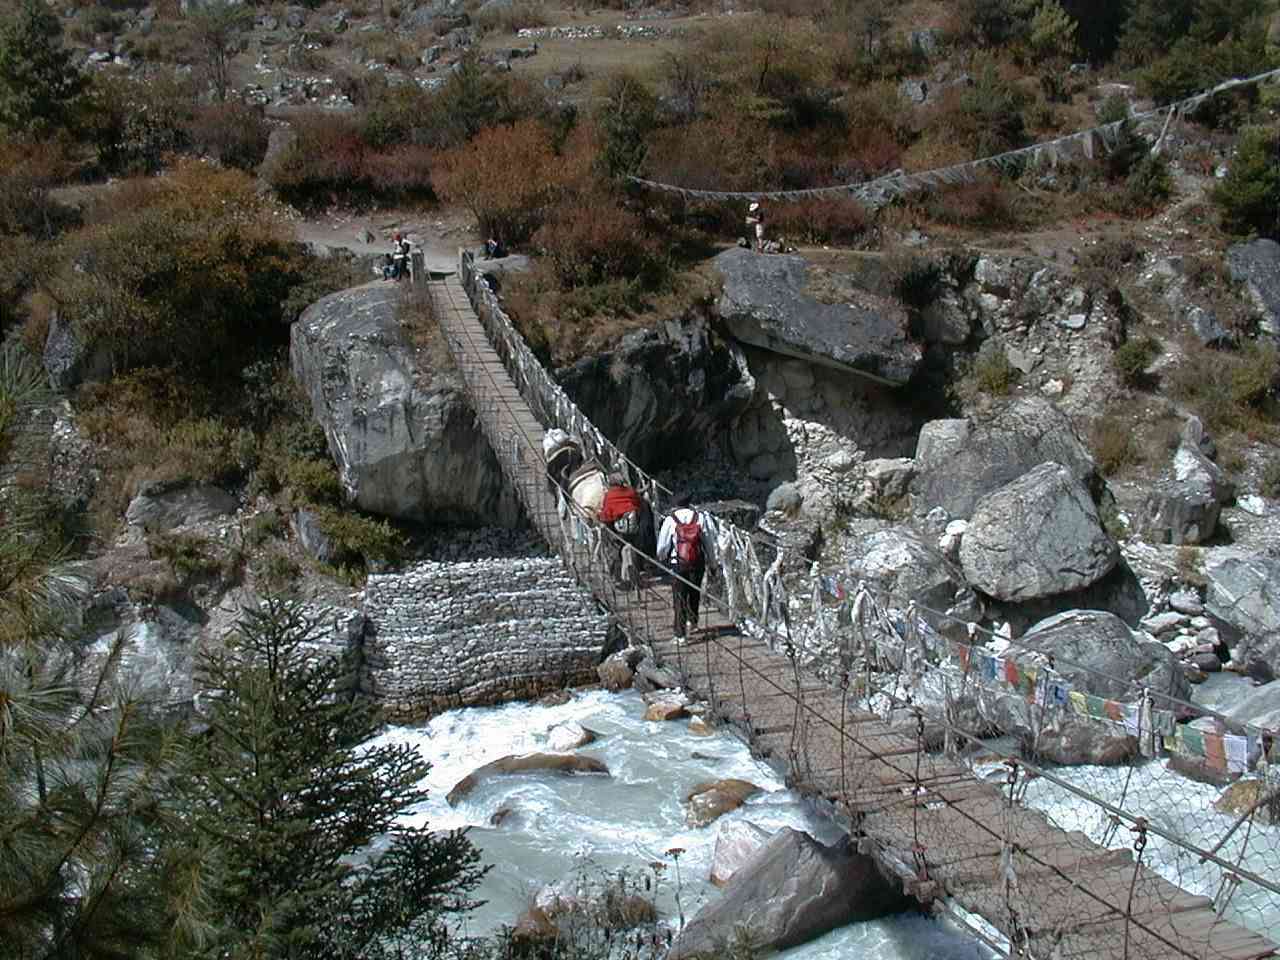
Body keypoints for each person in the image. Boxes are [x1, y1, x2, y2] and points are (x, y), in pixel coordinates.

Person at [656, 494, 717, 643]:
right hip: (697, 562)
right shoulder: (700, 517)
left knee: (679, 597)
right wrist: (713, 564)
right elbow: (708, 543)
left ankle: (680, 635)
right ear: (689, 503)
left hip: (679, 562)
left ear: (675, 504)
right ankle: (693, 622)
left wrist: (662, 558)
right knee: (694, 591)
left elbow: (663, 547)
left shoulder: (670, 520)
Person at [599, 473, 655, 587]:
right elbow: (639, 503)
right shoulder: (630, 492)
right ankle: (640, 569)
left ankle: (618, 576)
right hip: (633, 528)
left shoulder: (609, 495)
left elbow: (607, 515)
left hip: (619, 531)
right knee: (637, 545)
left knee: (614, 548)